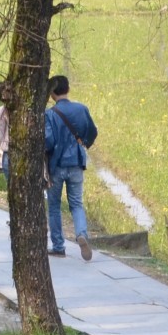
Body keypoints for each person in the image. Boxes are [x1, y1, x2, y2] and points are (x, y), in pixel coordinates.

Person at [43, 75, 98, 260]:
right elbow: (92, 132)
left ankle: (58, 246)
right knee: (76, 203)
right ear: (68, 89)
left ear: (52, 93)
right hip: (76, 163)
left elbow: (48, 141)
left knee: (54, 206)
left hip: (56, 166)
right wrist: (82, 146)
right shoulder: (82, 109)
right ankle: (81, 234)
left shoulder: (50, 114)